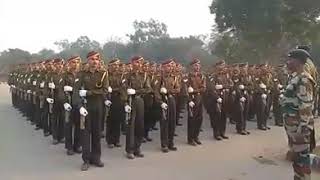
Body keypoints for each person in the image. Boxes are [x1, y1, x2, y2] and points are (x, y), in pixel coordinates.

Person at [282, 49, 315, 180]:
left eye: (290, 59)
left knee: (302, 159)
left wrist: (303, 127)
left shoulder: (304, 79)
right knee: (297, 160)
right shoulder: (296, 77)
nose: (288, 62)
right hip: (293, 127)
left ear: (298, 61)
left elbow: (306, 105)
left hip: (300, 128)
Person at [74, 51, 108, 171]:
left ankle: (96, 158)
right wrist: (79, 106)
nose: (94, 61)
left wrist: (89, 93)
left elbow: (104, 91)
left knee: (97, 133)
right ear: (88, 60)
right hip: (86, 107)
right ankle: (86, 160)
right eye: (92, 59)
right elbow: (75, 92)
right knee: (85, 135)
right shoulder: (81, 74)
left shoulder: (103, 74)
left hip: (98, 106)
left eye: (96, 59)